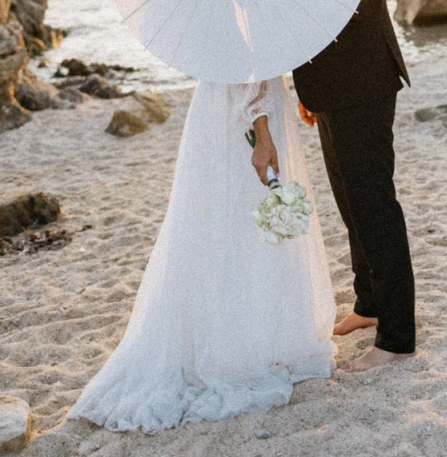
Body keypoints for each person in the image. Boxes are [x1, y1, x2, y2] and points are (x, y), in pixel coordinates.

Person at [67, 78, 336, 432]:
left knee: (221, 222)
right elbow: (248, 69)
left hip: (218, 107)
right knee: (241, 220)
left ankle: (245, 330)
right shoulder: (253, 92)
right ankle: (245, 341)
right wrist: (262, 132)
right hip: (248, 113)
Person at [292, 0, 415, 371]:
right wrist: (307, 86)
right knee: (350, 202)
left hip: (361, 80)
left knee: (373, 205)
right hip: (331, 84)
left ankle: (397, 337)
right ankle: (371, 304)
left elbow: (350, 4)